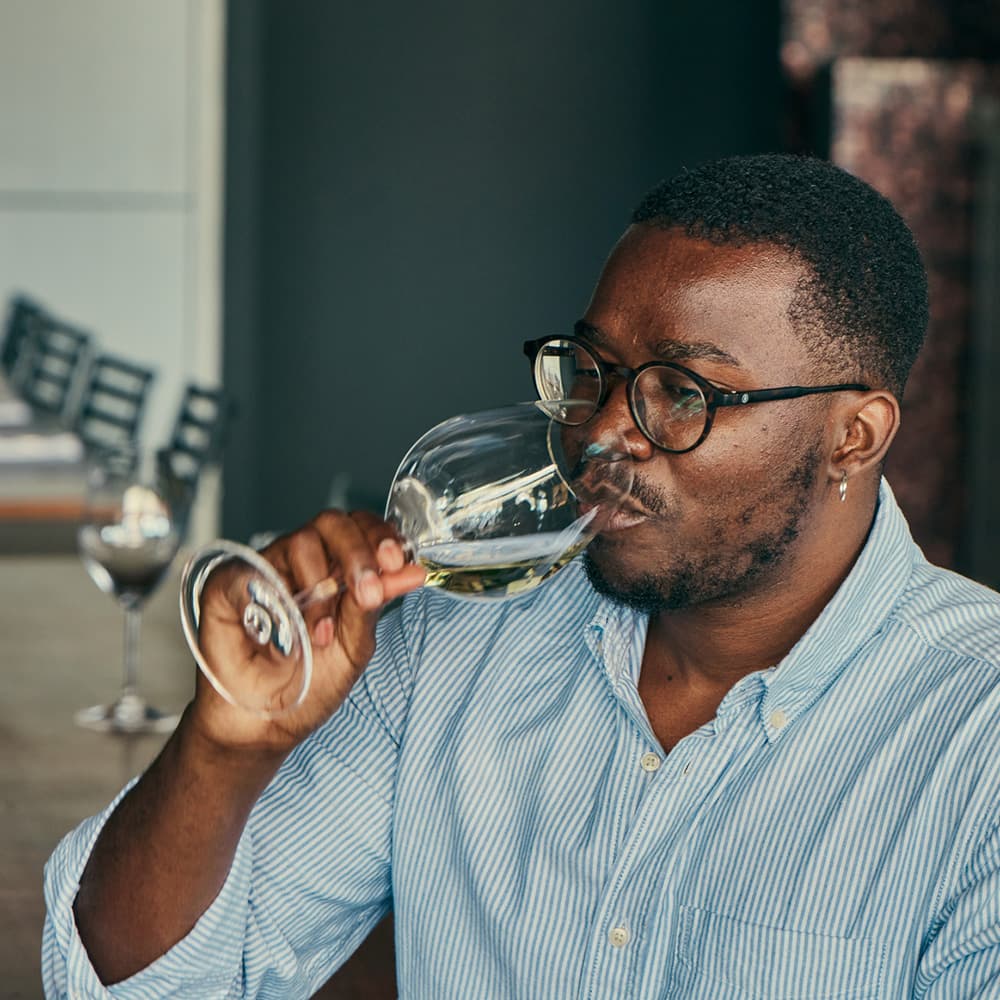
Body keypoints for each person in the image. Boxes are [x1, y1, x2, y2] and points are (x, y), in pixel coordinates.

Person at [44, 153, 1000, 998]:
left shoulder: (974, 740)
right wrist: (226, 746)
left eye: (685, 392)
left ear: (854, 436)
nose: (603, 432)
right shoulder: (452, 636)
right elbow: (146, 985)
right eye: (594, 369)